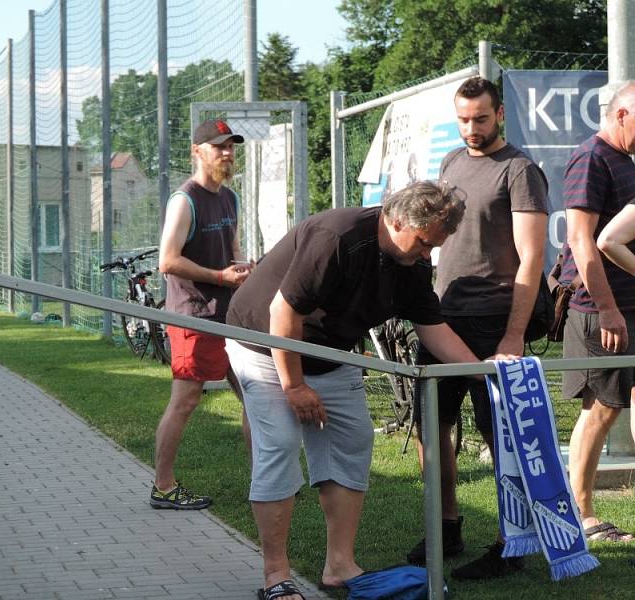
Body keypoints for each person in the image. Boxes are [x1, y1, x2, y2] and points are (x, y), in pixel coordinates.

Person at [226, 181, 481, 600]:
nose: (427, 255)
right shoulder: (338, 237)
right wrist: (294, 386)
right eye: (422, 243)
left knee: (352, 440)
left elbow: (433, 329)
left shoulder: (412, 266)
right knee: (281, 444)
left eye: (434, 247)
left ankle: (339, 566)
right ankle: (277, 576)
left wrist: (486, 373)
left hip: (333, 352)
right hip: (264, 344)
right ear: (396, 220)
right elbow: (283, 311)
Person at [407, 76, 549, 579]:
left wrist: (513, 336)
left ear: (500, 115)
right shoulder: (449, 162)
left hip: (495, 321)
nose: (471, 128)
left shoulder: (521, 170)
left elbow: (532, 259)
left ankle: (510, 543)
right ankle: (446, 527)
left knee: (503, 439)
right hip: (445, 316)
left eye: (481, 119)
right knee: (431, 426)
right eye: (463, 119)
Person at [150, 119, 253, 510]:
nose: (227, 153)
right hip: (193, 316)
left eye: (231, 147)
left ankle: (266, 479)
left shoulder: (230, 197)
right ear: (197, 150)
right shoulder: (185, 199)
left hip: (231, 313)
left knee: (254, 396)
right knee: (186, 401)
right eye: (219, 147)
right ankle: (162, 486)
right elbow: (167, 261)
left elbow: (232, 247)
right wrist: (219, 277)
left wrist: (244, 267)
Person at [560, 80, 635, 543]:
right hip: (598, 310)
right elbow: (580, 239)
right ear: (623, 113)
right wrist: (608, 310)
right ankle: (582, 513)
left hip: (628, 306)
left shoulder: (623, 157)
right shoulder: (591, 156)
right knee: (602, 410)